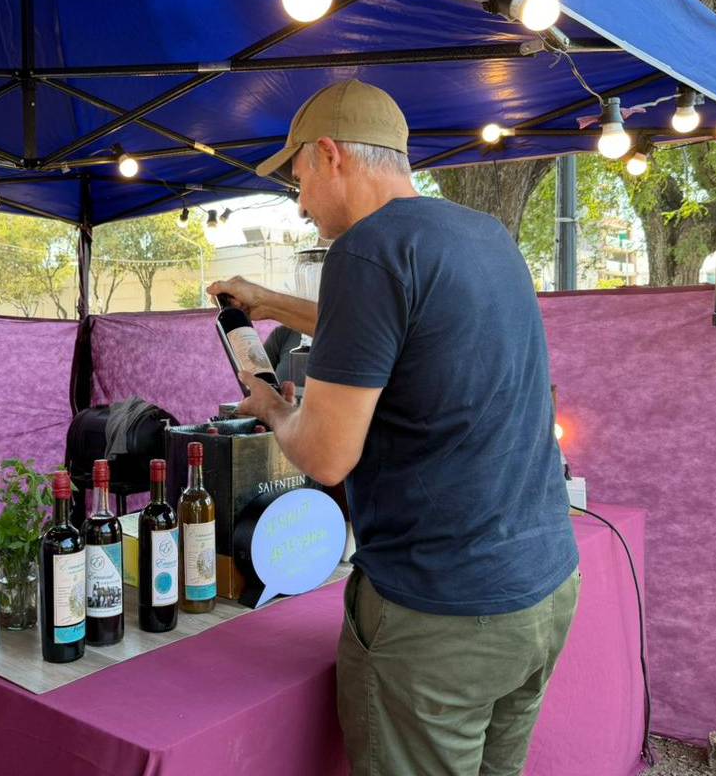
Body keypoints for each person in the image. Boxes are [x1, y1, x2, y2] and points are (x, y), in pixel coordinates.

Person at [208, 80, 579, 776]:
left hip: (441, 614)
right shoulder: (483, 234)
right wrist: (268, 303)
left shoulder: (365, 251)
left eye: (299, 180)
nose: (301, 203)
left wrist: (272, 407)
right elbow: (394, 325)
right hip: (544, 586)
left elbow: (325, 457)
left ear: (330, 155)